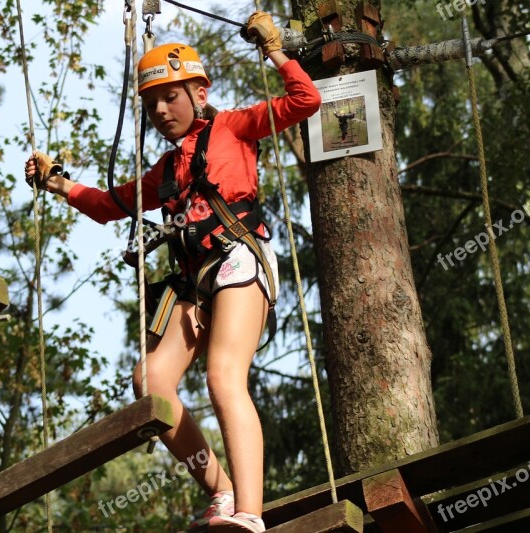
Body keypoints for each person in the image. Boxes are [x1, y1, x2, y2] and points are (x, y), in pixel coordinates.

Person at [25, 11, 320, 533]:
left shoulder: (233, 127)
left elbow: (305, 101)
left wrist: (275, 51)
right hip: (197, 281)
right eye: (151, 103)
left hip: (239, 258)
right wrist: (58, 184)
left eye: (171, 97)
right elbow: (107, 204)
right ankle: (221, 490)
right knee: (151, 381)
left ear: (198, 93)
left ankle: (251, 515)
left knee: (224, 377)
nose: (160, 110)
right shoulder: (165, 172)